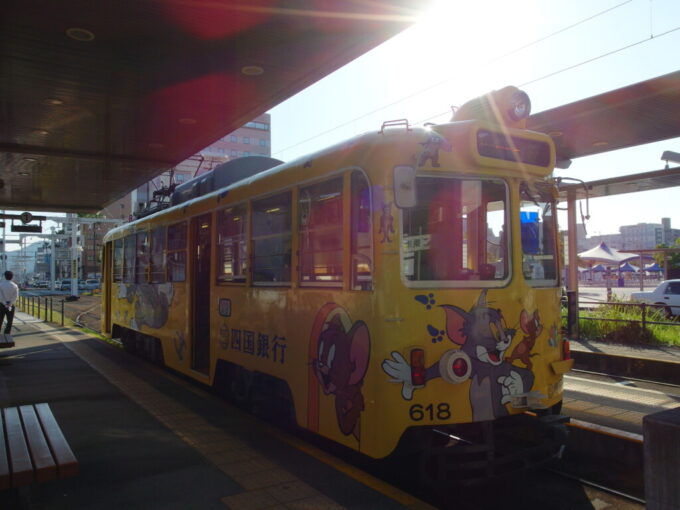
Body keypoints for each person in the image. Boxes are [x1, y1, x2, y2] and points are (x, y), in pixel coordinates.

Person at [0, 270, 19, 334]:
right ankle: (7, 334)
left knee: (0, 320)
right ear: (12, 277)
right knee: (10, 321)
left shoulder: (1, 285)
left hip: (1, 305)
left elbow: (0, 296)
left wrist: (5, 303)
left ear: (5, 276)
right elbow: (15, 297)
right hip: (11, 305)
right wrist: (9, 303)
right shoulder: (15, 286)